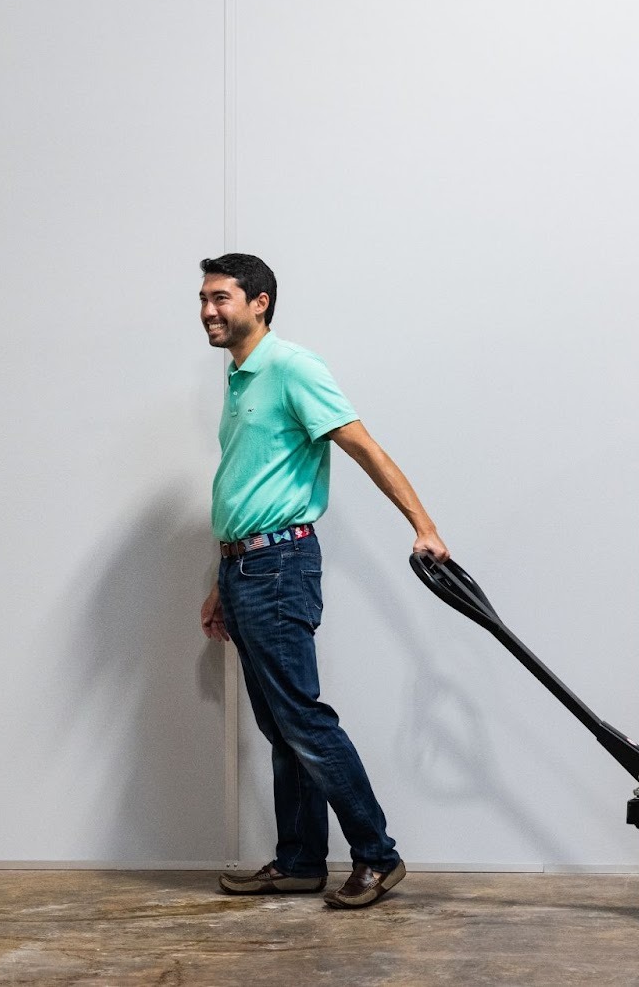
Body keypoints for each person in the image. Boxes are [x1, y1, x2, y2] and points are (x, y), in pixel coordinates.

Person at [196, 253, 449, 909]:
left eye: (222, 298)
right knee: (283, 727)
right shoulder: (240, 379)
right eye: (203, 299)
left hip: (278, 567)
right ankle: (301, 861)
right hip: (246, 567)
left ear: (261, 303)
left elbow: (365, 446)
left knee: (304, 721)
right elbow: (246, 484)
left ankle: (377, 854)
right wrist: (223, 580)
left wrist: (423, 526)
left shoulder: (291, 368)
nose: (208, 311)